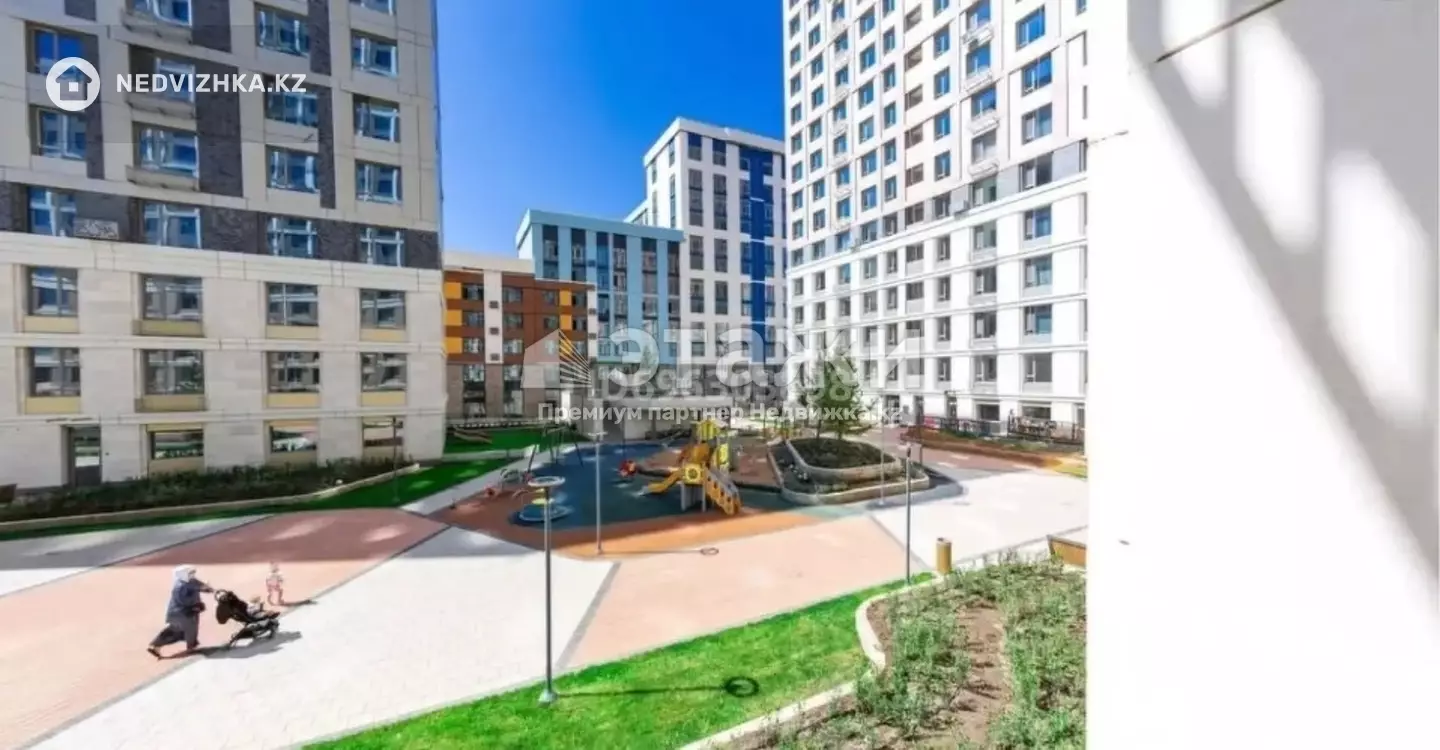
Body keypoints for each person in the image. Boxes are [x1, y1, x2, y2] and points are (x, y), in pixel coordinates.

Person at [146, 564, 213, 659]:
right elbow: (183, 600)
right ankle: (190, 647)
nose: (192, 575)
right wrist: (196, 605)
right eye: (190, 573)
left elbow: (200, 585)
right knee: (189, 629)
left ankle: (155, 646)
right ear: (183, 574)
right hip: (181, 613)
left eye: (193, 573)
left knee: (175, 631)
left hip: (182, 613)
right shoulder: (180, 587)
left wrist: (208, 589)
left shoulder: (190, 580)